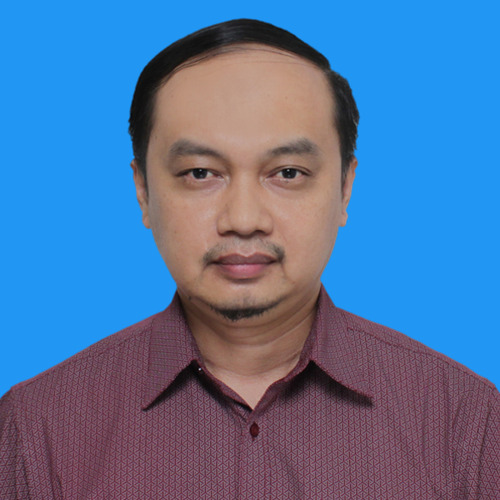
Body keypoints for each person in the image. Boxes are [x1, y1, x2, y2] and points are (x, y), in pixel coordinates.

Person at [1, 18, 498, 498]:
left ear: (345, 188)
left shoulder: (466, 423)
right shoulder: (36, 428)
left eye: (287, 172)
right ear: (143, 192)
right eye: (200, 173)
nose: (243, 219)